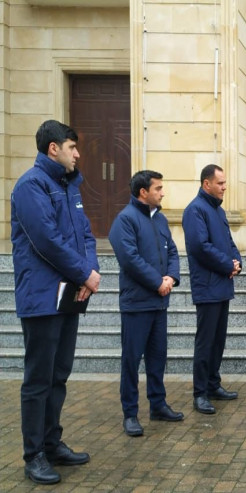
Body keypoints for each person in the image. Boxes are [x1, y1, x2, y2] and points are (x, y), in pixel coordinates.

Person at [11, 120, 101, 484]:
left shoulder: (69, 187)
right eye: (72, 147)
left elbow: (86, 235)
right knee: (39, 379)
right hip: (42, 297)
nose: (78, 153)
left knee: (59, 375)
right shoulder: (31, 186)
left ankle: (52, 443)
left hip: (69, 295)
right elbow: (45, 240)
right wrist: (83, 274)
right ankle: (34, 455)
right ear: (54, 149)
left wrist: (87, 274)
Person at [109, 170, 183, 437]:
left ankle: (158, 404)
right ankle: (130, 414)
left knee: (157, 357)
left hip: (159, 303)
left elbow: (173, 251)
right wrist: (157, 282)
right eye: (158, 188)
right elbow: (129, 259)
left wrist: (172, 277)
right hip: (136, 304)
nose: (162, 193)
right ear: (143, 192)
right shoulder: (125, 221)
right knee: (132, 360)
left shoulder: (160, 219)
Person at [183, 164, 242, 414]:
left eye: (224, 183)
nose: (224, 187)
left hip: (222, 284)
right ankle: (200, 393)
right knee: (205, 342)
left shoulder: (219, 211)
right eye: (220, 183)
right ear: (207, 184)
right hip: (207, 286)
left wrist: (238, 262)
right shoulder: (195, 210)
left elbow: (228, 241)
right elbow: (200, 247)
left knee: (218, 341)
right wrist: (227, 264)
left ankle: (213, 384)